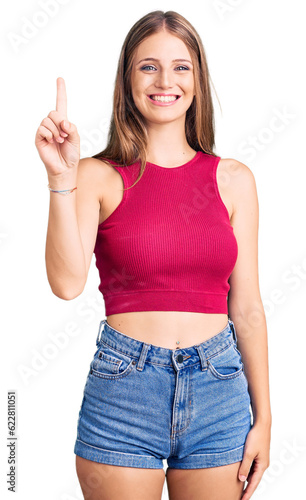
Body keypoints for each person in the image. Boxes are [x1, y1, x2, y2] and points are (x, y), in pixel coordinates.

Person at [34, 10, 271, 500]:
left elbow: (246, 306)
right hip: (124, 389)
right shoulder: (96, 175)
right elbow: (66, 283)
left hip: (219, 388)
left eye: (181, 67)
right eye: (149, 66)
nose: (166, 81)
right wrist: (61, 180)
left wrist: (265, 419)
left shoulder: (234, 180)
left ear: (198, 79)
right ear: (128, 79)